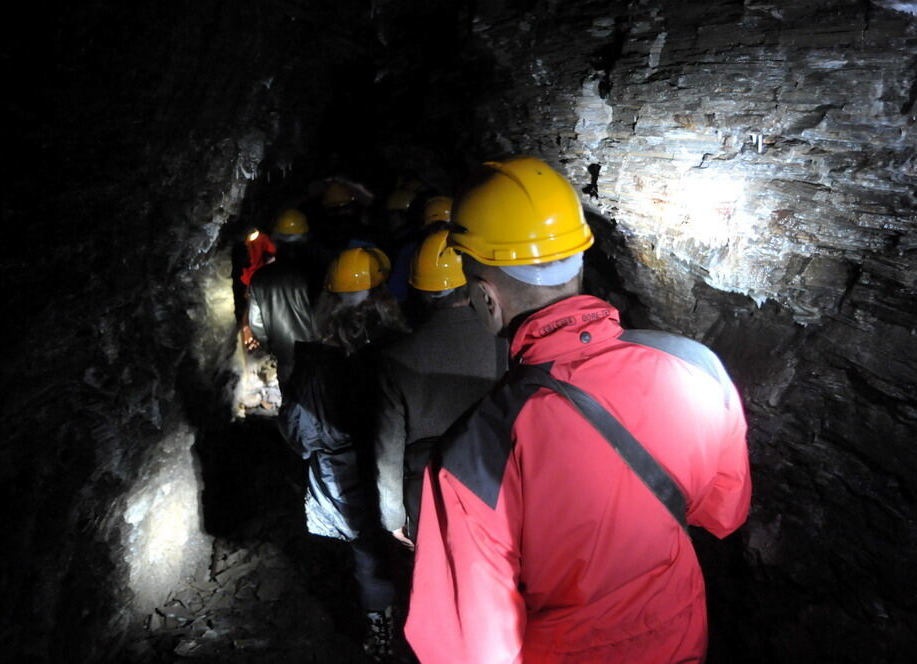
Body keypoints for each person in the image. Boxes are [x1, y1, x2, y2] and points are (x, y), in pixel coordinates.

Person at [404, 157, 752, 663]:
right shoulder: (696, 365)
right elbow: (724, 511)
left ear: (484, 296)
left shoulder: (476, 452)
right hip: (680, 639)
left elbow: (472, 647)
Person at [279, 246, 409, 662]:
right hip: (396, 468)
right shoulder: (402, 347)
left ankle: (383, 638)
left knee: (368, 559)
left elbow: (300, 436)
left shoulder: (316, 361)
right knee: (408, 553)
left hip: (343, 472)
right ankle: (418, 632)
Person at [375, 229, 507, 551]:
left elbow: (387, 446)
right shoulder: (504, 343)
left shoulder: (396, 356)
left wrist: (393, 515)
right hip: (495, 487)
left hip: (428, 493)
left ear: (419, 290)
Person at [243, 208, 317, 389]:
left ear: (275, 240)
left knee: (293, 406)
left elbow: (257, 325)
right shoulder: (317, 272)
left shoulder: (260, 278)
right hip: (319, 354)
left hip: (286, 356)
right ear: (306, 237)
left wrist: (270, 346)